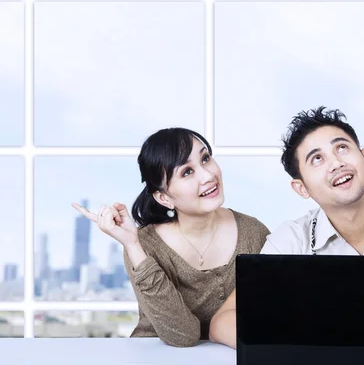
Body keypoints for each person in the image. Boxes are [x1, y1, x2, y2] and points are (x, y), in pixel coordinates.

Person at [210, 107, 364, 349]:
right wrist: (302, 345)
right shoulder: (291, 238)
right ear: (302, 188)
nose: (336, 164)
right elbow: (221, 323)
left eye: (342, 148)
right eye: (317, 159)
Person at [72, 127, 270, 347]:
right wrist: (132, 245)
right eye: (187, 172)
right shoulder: (144, 244)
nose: (208, 175)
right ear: (164, 198)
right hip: (156, 355)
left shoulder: (254, 233)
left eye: (205, 158)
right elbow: (183, 335)